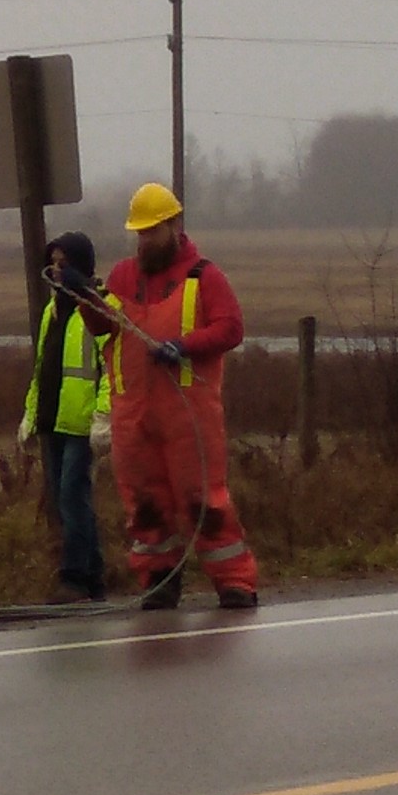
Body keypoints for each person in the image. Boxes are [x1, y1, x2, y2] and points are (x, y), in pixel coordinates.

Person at [101, 183, 261, 611]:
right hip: (133, 414)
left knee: (202, 500)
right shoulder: (121, 277)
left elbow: (232, 329)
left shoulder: (205, 276)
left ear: (174, 226)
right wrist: (80, 294)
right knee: (145, 505)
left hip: (189, 415)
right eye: (140, 232)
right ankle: (159, 580)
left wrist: (184, 346)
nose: (144, 240)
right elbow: (103, 327)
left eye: (152, 231)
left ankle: (234, 582)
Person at [21, 231, 115, 601]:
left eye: (65, 264)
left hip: (81, 421)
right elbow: (43, 367)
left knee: (72, 497)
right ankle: (92, 577)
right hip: (54, 419)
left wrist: (104, 415)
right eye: (54, 264)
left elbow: (111, 366)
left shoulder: (98, 306)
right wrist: (31, 413)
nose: (57, 272)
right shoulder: (53, 310)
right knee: (67, 497)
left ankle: (75, 576)